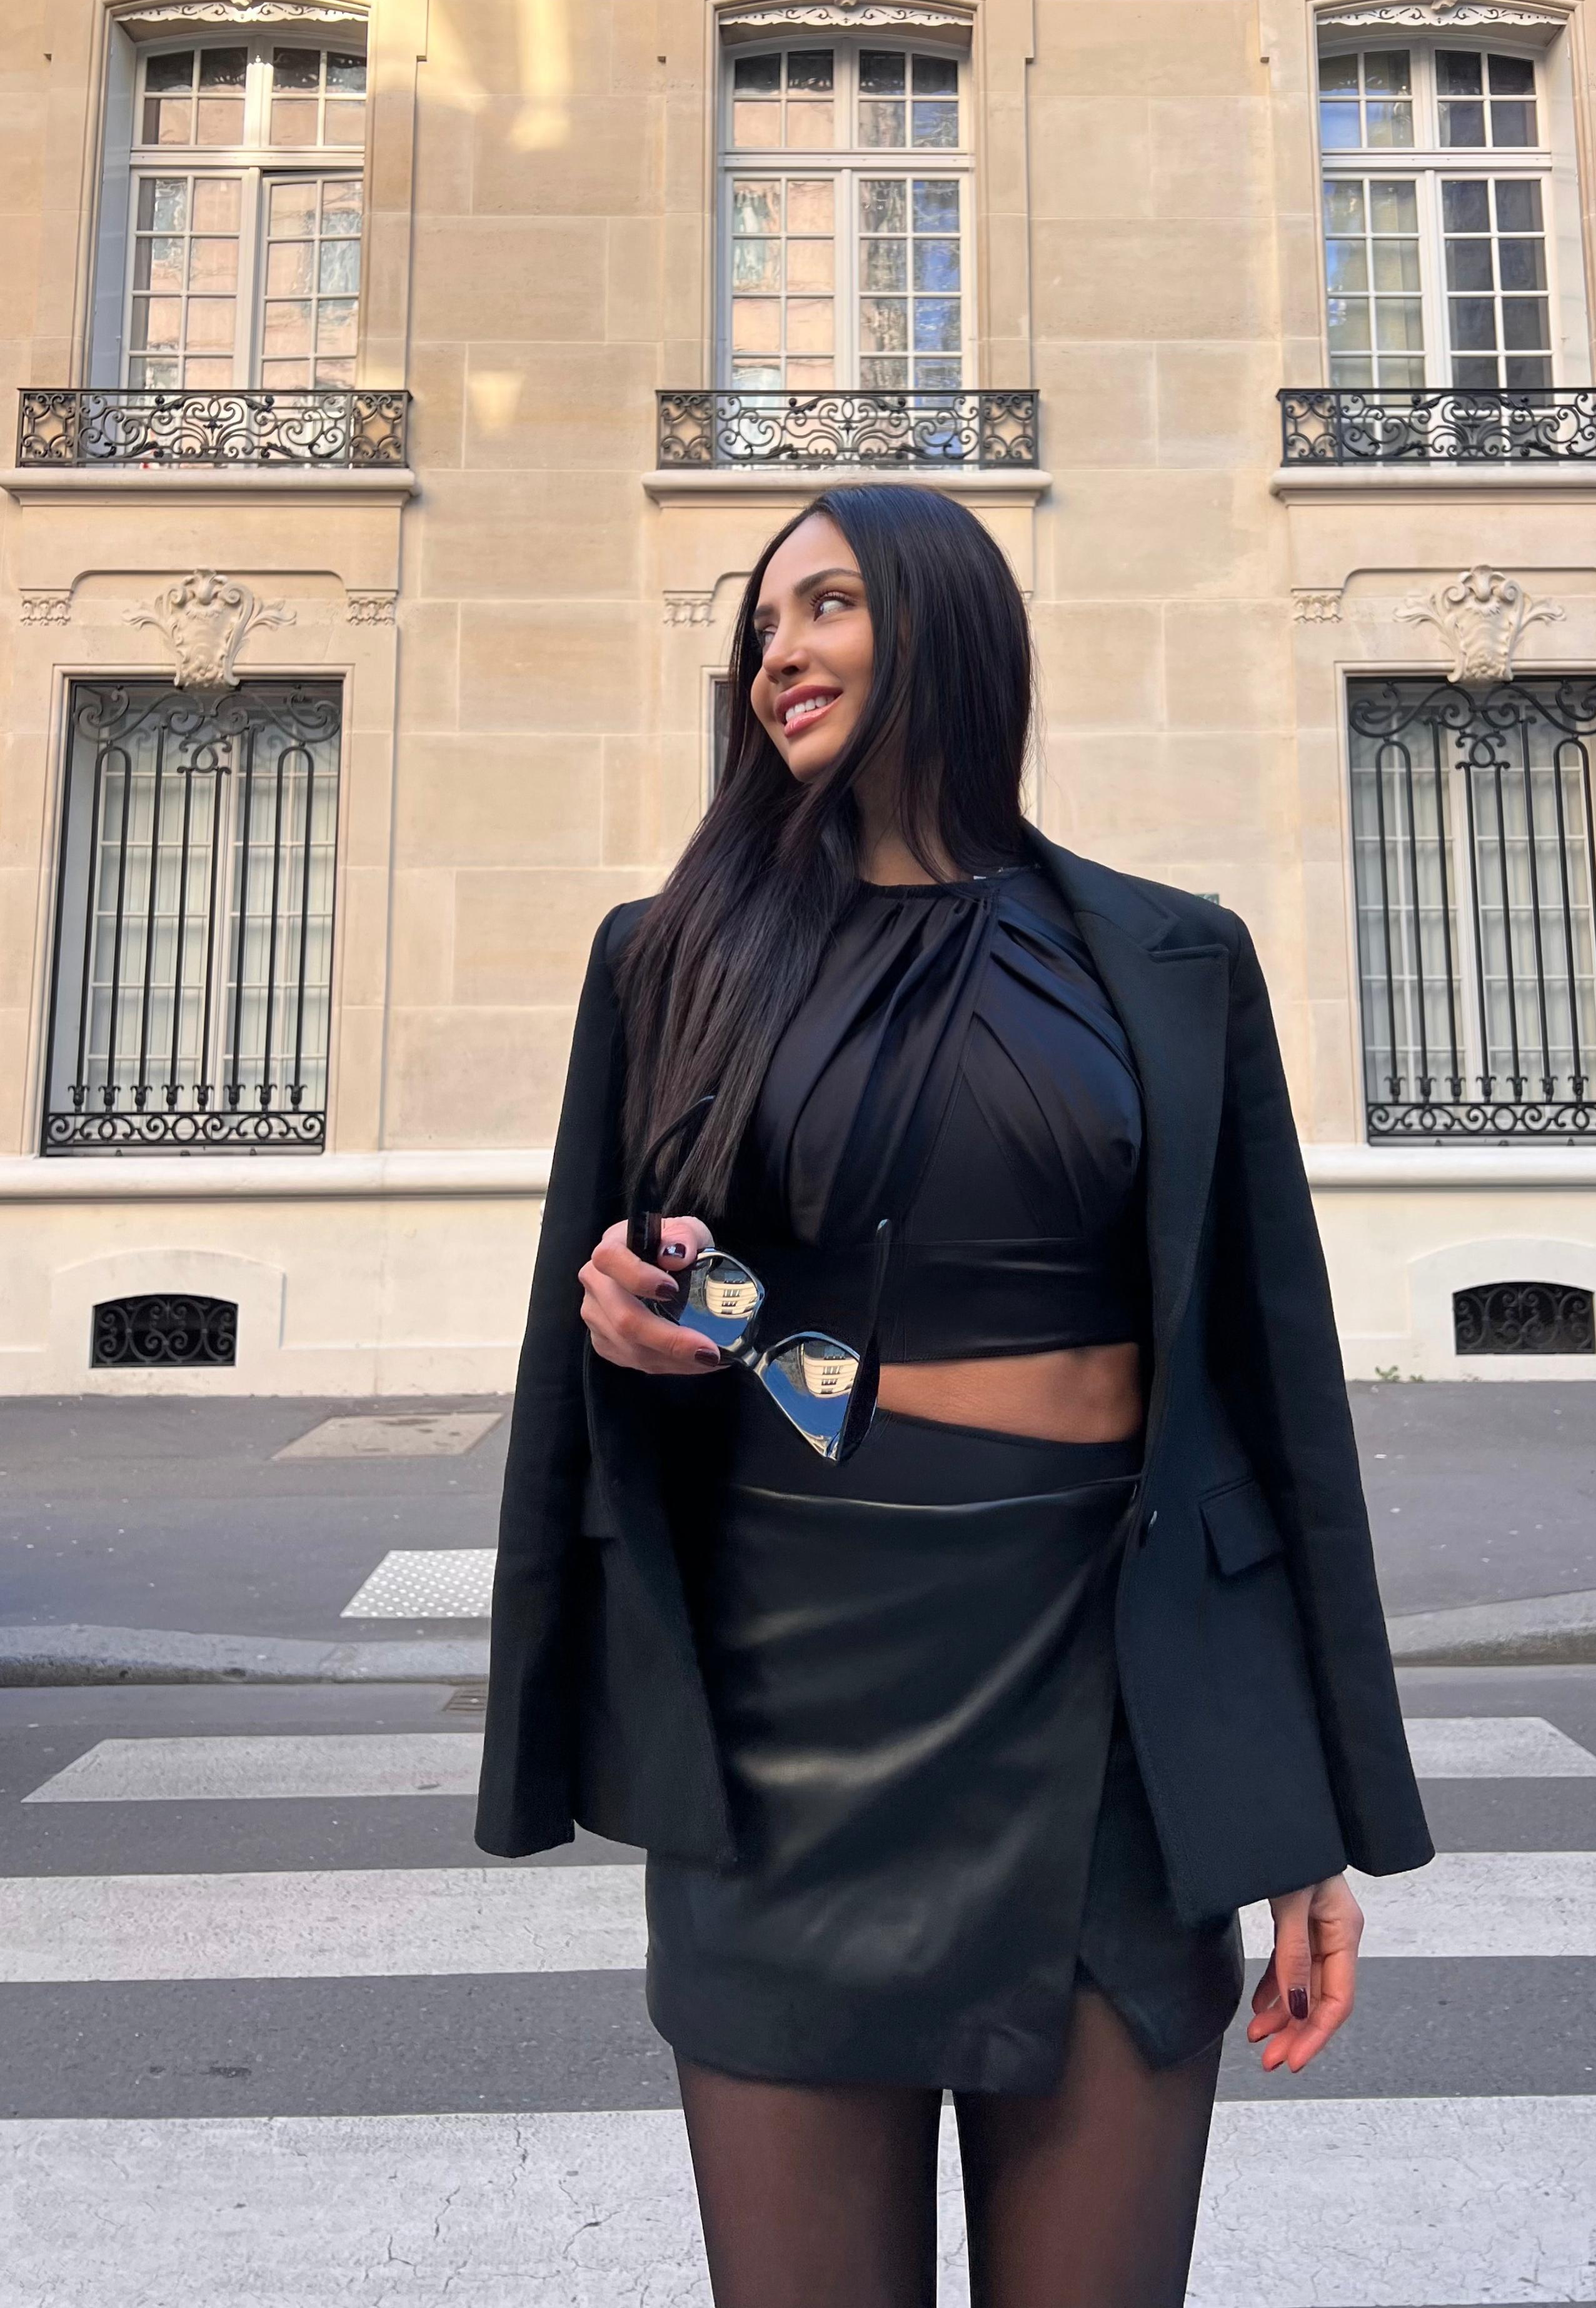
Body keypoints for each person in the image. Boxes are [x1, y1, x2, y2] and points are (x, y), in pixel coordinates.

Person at [476, 481, 1433, 2307]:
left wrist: (1312, 1810)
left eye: (826, 606)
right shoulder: (673, 950)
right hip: (788, 1720)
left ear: (947, 626)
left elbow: (1271, 1392)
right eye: (762, 626)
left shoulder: (1165, 960)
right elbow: (689, 1310)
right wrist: (639, 1311)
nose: (782, 655)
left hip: (1112, 1719)